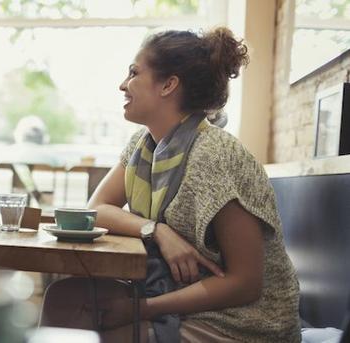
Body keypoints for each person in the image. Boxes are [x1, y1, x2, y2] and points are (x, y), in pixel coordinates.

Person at [42, 28, 300, 342]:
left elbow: (246, 283)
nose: (122, 84)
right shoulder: (144, 144)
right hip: (176, 291)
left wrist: (143, 308)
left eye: (134, 73)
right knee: (63, 298)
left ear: (169, 85)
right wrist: (156, 230)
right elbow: (96, 209)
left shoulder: (216, 156)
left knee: (97, 330)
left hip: (240, 322)